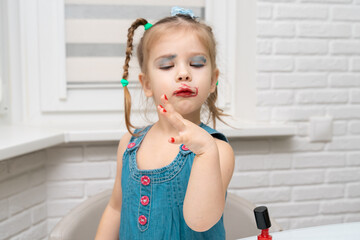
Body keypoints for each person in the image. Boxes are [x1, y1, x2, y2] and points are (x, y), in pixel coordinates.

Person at [95, 6, 235, 240]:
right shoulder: (128, 145)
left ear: (213, 81)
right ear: (147, 84)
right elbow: (115, 209)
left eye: (197, 64)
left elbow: (200, 221)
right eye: (167, 66)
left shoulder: (218, 150)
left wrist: (206, 151)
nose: (183, 74)